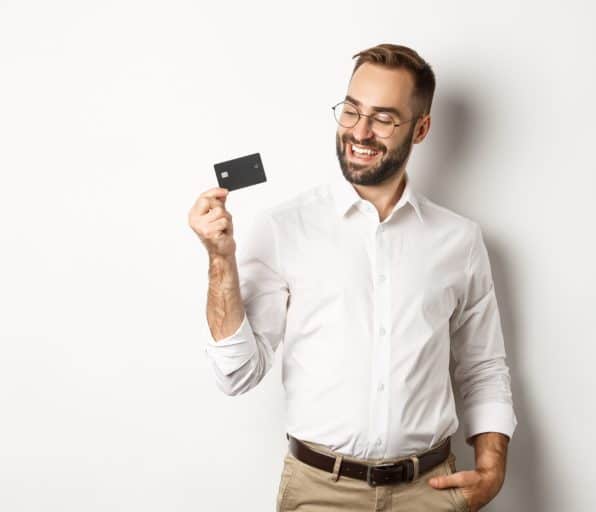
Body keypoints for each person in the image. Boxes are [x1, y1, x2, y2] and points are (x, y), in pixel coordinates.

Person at [188, 43, 516, 512]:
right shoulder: (285, 227)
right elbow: (236, 374)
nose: (360, 131)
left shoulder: (460, 241)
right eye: (351, 111)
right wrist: (220, 260)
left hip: (430, 492)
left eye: (383, 118)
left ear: (421, 129)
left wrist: (492, 468)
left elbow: (483, 367)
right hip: (320, 493)